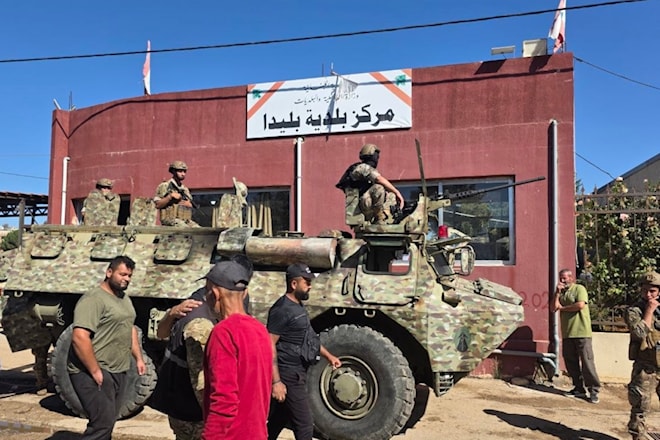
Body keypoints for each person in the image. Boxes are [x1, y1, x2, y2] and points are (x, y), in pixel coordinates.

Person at [150, 256, 253, 440]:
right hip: (190, 409)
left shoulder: (220, 299)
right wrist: (217, 424)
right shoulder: (200, 321)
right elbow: (203, 383)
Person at [67, 256, 146, 440]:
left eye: (129, 276)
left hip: (118, 370)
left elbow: (130, 328)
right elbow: (79, 337)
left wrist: (138, 358)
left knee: (108, 422)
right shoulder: (93, 299)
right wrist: (95, 370)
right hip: (92, 371)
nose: (126, 279)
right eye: (122, 274)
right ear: (109, 272)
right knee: (101, 424)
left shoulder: (124, 299)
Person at [267, 263, 342, 440]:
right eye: (306, 282)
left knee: (281, 417)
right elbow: (269, 345)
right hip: (288, 374)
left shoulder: (298, 306)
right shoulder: (282, 310)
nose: (310, 286)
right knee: (305, 425)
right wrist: (276, 382)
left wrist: (329, 356)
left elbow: (308, 338)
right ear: (294, 284)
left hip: (298, 371)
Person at [202, 259, 272, 440]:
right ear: (245, 293)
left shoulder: (223, 333)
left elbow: (224, 400)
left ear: (215, 294)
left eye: (206, 292)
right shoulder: (261, 330)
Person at [551, 268, 601, 404]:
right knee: (570, 361)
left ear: (571, 277)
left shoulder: (579, 289)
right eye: (561, 278)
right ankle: (578, 388)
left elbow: (580, 305)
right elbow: (553, 308)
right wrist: (557, 293)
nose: (562, 280)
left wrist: (563, 308)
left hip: (582, 332)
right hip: (568, 333)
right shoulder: (561, 293)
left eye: (565, 278)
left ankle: (594, 390)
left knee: (587, 362)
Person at [625, 271, 660, 440]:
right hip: (646, 368)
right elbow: (639, 332)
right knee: (640, 407)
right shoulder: (634, 311)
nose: (648, 294)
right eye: (645, 290)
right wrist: (650, 310)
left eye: (652, 291)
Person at [335, 143, 404, 224]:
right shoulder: (362, 167)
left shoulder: (367, 169)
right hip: (361, 206)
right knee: (378, 188)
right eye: (376, 156)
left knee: (391, 195)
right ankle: (379, 218)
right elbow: (378, 179)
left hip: (368, 205)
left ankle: (385, 217)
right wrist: (397, 192)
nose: (377, 159)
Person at [154, 161, 199, 227]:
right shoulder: (165, 186)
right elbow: (157, 205)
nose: (183, 174)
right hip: (170, 220)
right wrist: (169, 197)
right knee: (184, 228)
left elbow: (190, 205)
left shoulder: (185, 189)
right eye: (180, 171)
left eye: (184, 171)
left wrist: (189, 205)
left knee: (198, 229)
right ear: (173, 171)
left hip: (185, 220)